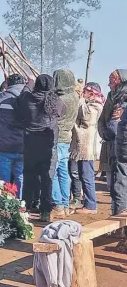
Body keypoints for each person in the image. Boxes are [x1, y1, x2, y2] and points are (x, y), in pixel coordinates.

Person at [16, 74, 65, 222]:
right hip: (49, 146)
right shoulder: (56, 101)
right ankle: (45, 211)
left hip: (30, 144)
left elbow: (21, 95)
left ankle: (25, 207)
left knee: (29, 177)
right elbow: (64, 111)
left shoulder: (27, 99)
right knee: (47, 179)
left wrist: (29, 82)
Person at [69, 82, 104, 215]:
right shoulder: (90, 104)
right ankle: (87, 203)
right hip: (81, 146)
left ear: (93, 92)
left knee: (87, 176)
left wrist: (80, 99)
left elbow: (86, 117)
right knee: (82, 175)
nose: (84, 93)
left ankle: (91, 205)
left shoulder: (96, 105)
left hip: (87, 148)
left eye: (87, 91)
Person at [51, 69, 79, 218]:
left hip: (56, 137)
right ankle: (65, 204)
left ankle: (58, 205)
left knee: (53, 172)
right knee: (63, 172)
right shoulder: (75, 96)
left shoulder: (60, 99)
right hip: (66, 137)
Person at [98, 70, 127, 194]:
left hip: (123, 140)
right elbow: (103, 118)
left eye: (112, 81)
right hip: (110, 138)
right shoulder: (110, 96)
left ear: (120, 81)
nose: (109, 84)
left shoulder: (124, 97)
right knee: (112, 170)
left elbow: (118, 119)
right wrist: (104, 131)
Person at [108, 70, 127, 216]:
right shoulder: (115, 97)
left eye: (112, 80)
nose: (110, 83)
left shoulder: (122, 99)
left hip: (122, 146)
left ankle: (120, 215)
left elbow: (115, 122)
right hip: (119, 143)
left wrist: (108, 133)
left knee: (120, 180)